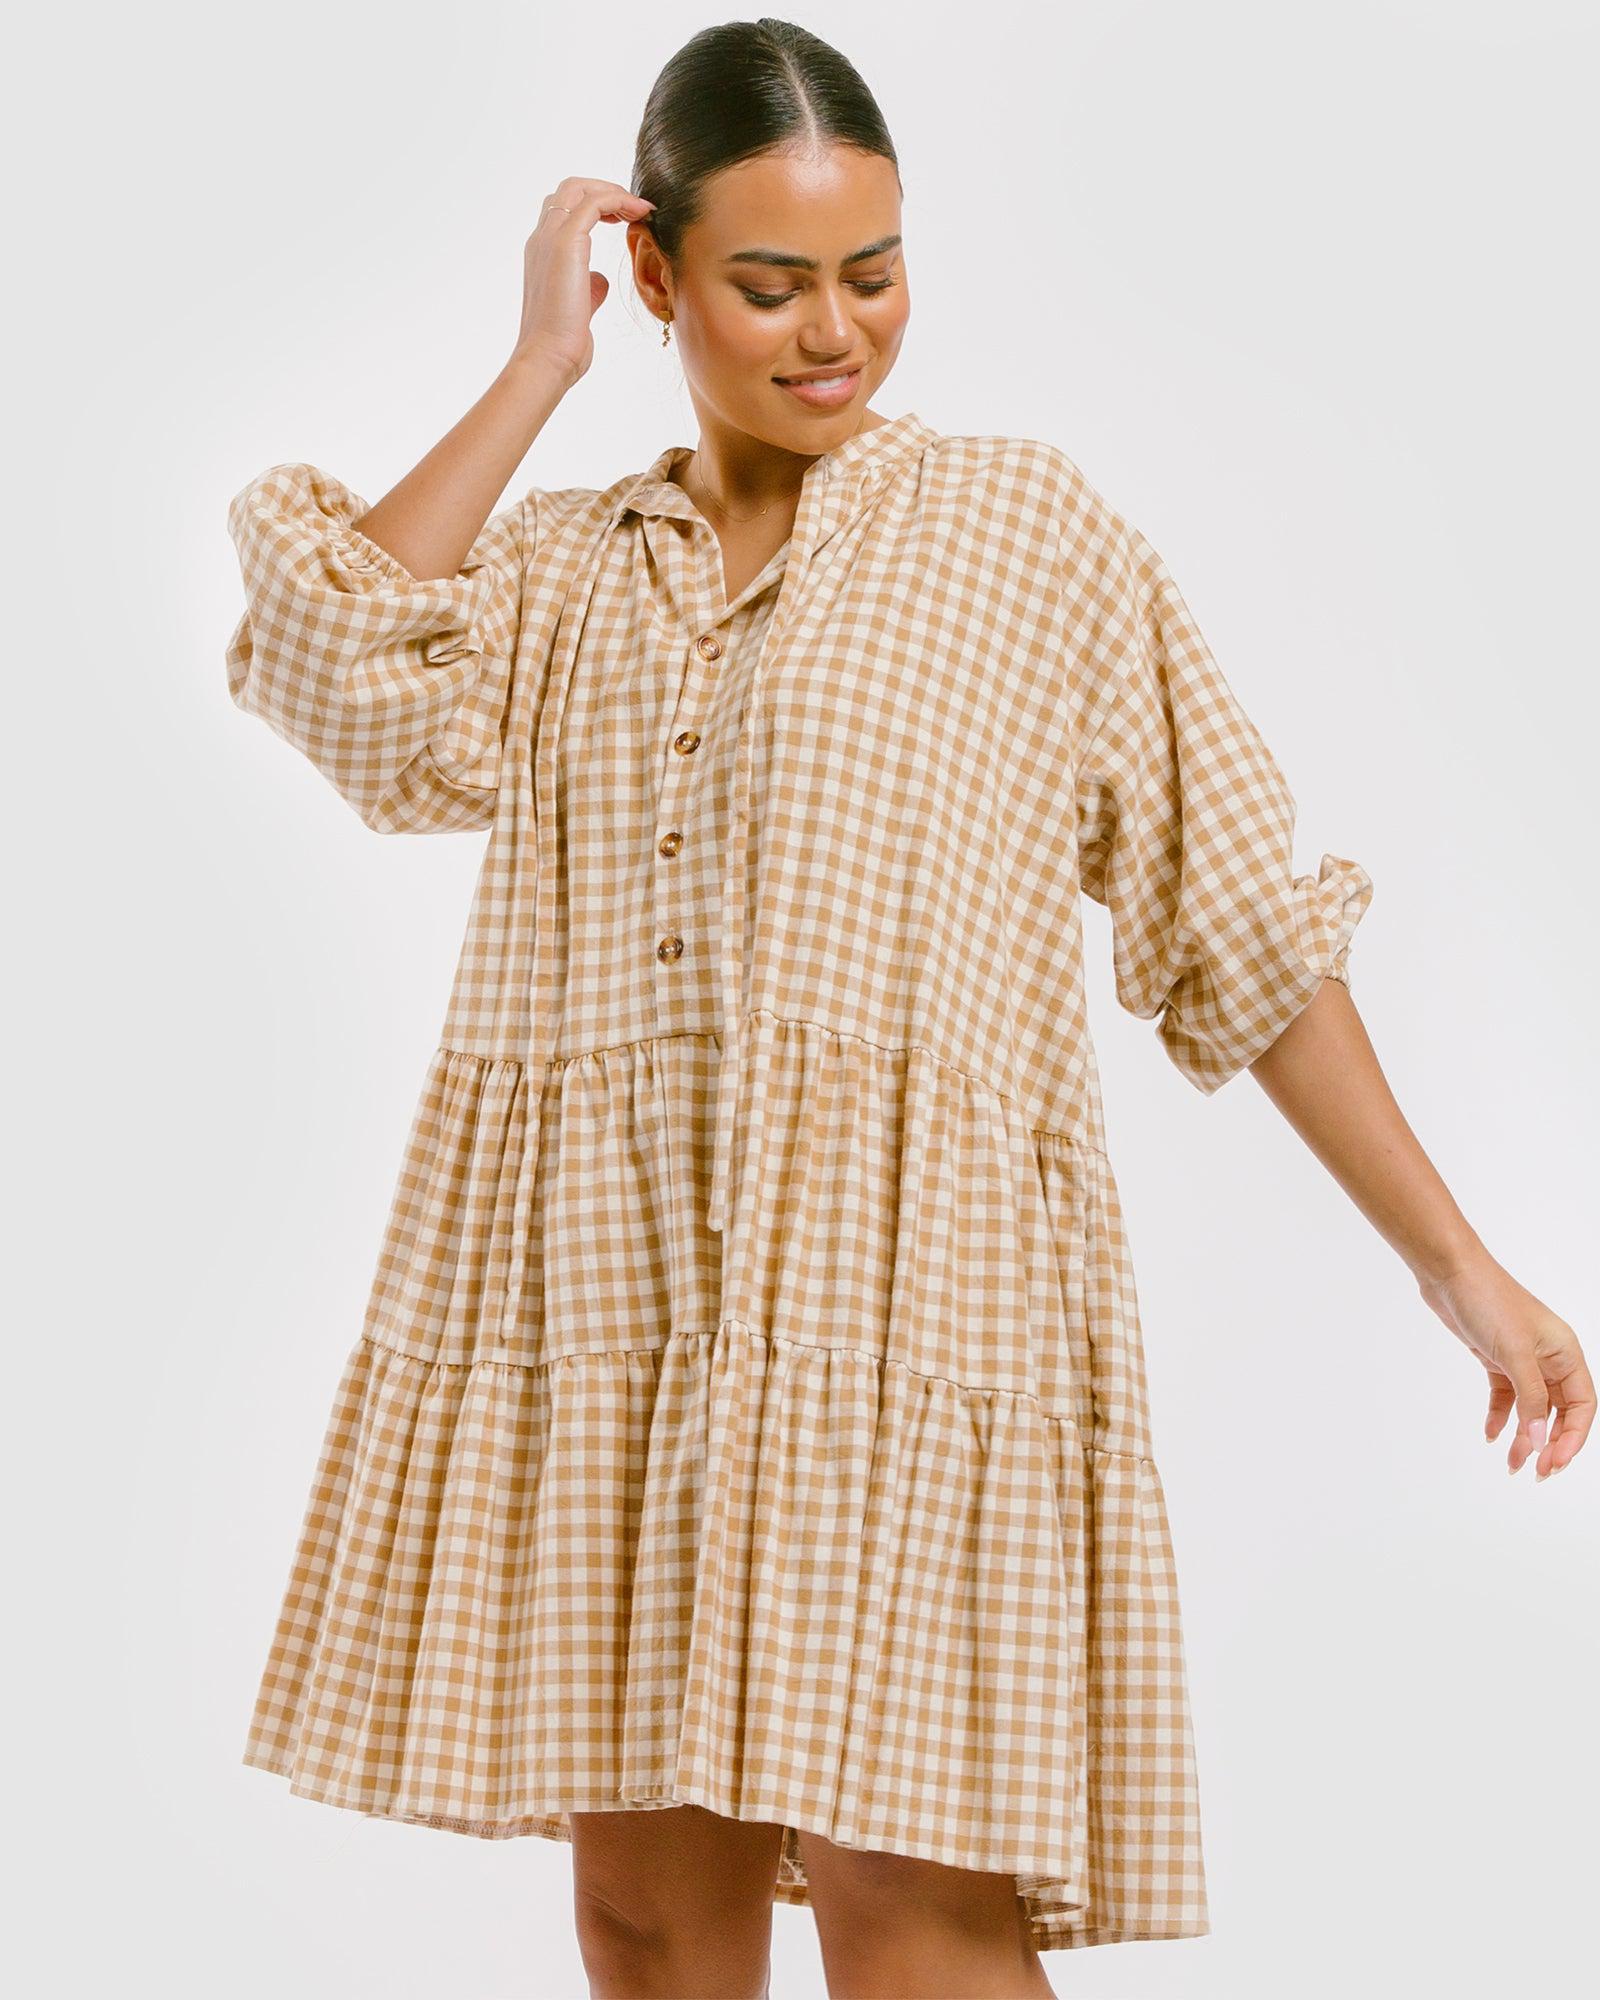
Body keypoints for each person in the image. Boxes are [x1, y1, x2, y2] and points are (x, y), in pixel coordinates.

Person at [223, 19, 1591, 2000]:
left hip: (907, 1305)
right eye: (770, 282)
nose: (833, 331)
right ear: (656, 272)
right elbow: (323, 653)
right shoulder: (561, 573)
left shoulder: (1025, 538)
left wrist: (1458, 1270)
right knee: (641, 1919)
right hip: (610, 1296)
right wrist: (538, 367)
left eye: (871, 273)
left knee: (917, 1921)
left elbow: (1240, 923)